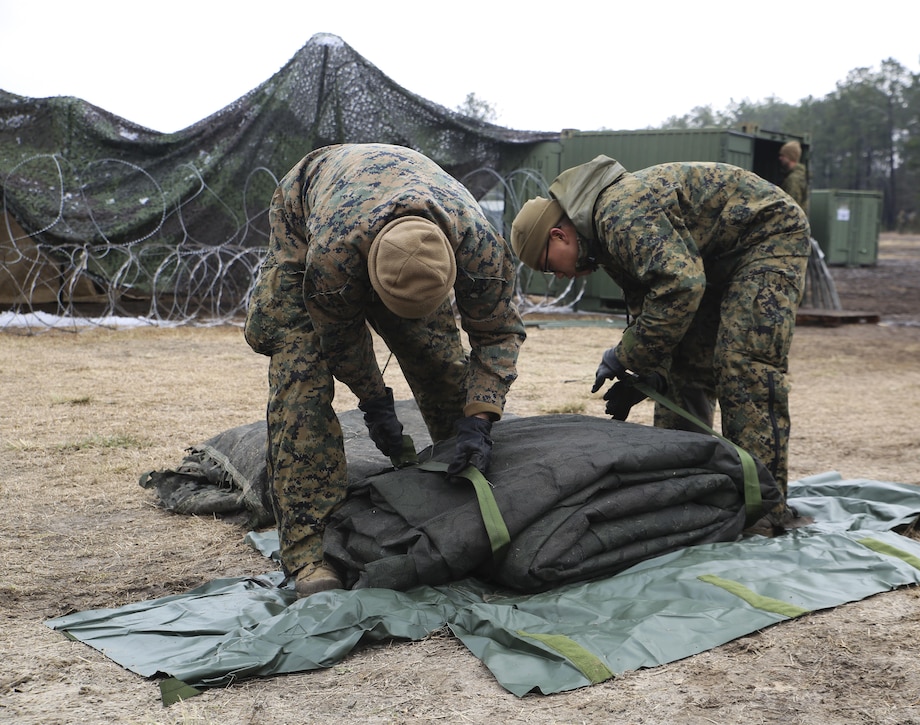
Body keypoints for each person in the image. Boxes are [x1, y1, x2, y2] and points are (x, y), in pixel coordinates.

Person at [244, 143, 525, 596]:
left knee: (440, 362)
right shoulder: (333, 256)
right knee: (302, 378)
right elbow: (340, 339)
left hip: (397, 210)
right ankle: (309, 552)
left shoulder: (480, 245)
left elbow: (498, 333)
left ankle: (461, 500)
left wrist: (479, 417)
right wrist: (375, 402)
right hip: (309, 212)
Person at [510, 156, 809, 525]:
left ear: (559, 236)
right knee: (681, 373)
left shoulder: (617, 213)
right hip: (708, 259)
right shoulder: (601, 239)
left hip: (767, 237)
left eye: (549, 265)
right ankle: (692, 497)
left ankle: (764, 511)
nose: (557, 276)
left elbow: (680, 286)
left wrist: (623, 355)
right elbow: (652, 306)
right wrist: (646, 376)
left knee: (743, 365)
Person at [778, 140, 808, 214]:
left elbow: (791, 208)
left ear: (790, 157)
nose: (780, 158)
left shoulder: (793, 179)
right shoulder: (800, 175)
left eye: (783, 156)